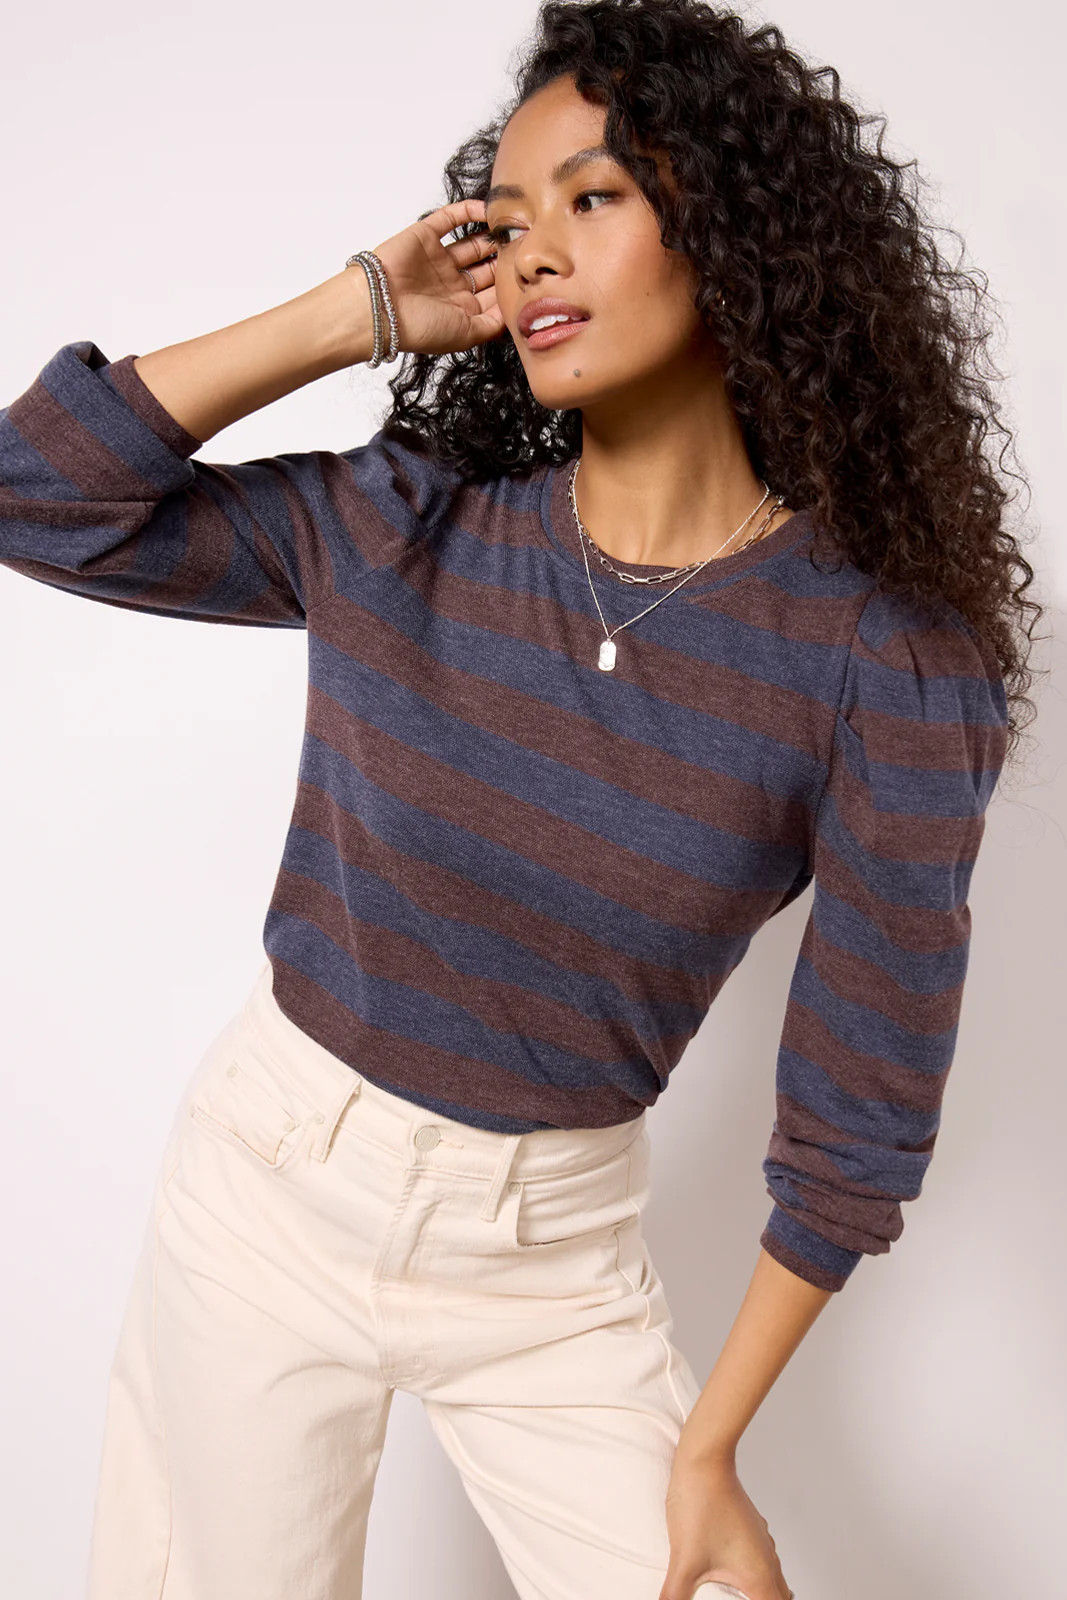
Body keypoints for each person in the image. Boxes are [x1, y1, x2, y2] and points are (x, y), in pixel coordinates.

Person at [0, 2, 1038, 1598]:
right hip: (267, 1190)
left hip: (552, 1270)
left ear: (740, 234)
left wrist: (710, 1449)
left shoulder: (880, 662)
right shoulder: (410, 522)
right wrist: (358, 311)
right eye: (508, 213)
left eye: (593, 197)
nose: (534, 247)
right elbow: (36, 497)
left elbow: (860, 1107)